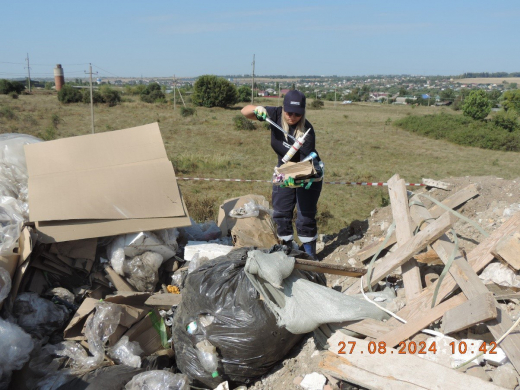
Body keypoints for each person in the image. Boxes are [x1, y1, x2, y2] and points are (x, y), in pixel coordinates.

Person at [241, 90, 322, 260]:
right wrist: (258, 109)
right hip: (283, 171)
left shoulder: (307, 131)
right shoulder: (275, 114)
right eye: (289, 112)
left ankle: (310, 256)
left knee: (304, 217)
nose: (292, 117)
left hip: (306, 173)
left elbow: (304, 166)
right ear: (283, 108)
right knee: (281, 214)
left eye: (297, 114)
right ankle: (286, 252)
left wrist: (287, 174)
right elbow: (245, 111)